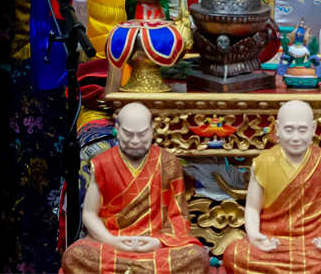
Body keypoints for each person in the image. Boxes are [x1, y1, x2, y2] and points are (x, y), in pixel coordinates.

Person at [221, 101, 321, 274]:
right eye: (289, 130)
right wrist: (255, 236)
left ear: (313, 129)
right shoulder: (263, 162)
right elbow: (252, 207)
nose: (295, 137)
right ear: (277, 129)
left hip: (316, 245)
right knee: (234, 254)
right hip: (275, 244)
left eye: (302, 130)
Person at [60, 103, 209, 274]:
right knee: (74, 256)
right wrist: (110, 240)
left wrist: (158, 242)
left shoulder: (168, 163)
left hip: (154, 245)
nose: (135, 141)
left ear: (152, 130)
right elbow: (89, 213)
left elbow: (178, 216)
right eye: (128, 134)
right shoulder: (102, 163)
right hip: (114, 244)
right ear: (117, 129)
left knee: (196, 257)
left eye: (142, 134)